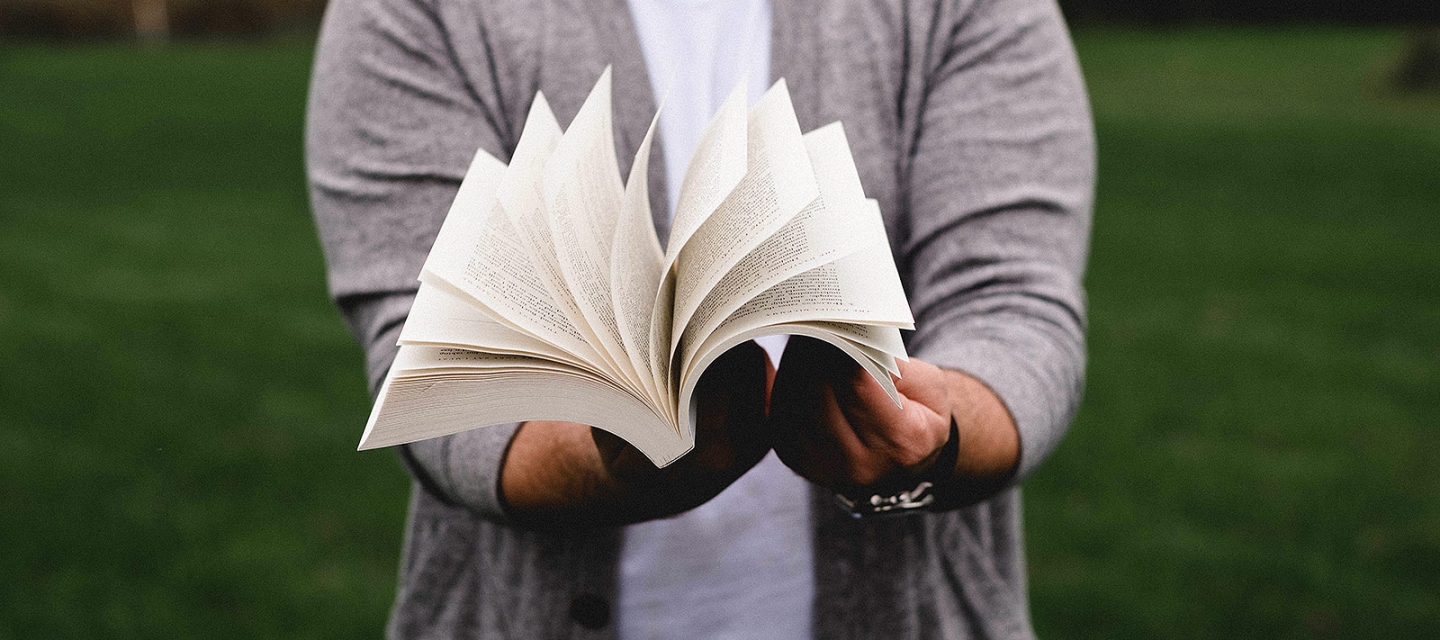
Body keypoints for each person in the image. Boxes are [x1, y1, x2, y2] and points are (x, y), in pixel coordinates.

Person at [306, 0, 1094, 637]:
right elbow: (439, 359)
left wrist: (931, 427)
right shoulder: (414, 11)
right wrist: (613, 453)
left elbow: (1013, 307)